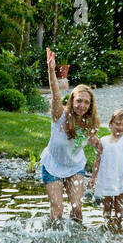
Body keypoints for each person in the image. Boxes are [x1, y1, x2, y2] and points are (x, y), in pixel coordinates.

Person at [40, 46, 101, 222]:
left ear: (90, 106)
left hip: (75, 167)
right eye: (79, 100)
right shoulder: (60, 116)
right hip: (53, 165)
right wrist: (51, 71)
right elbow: (55, 94)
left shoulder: (89, 124)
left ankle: (78, 241)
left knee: (77, 210)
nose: (81, 105)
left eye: (86, 102)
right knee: (58, 212)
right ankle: (51, 240)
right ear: (72, 100)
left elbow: (95, 142)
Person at [90, 109, 123, 224]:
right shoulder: (103, 140)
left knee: (118, 204)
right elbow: (98, 160)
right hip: (107, 178)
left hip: (121, 177)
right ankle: (107, 226)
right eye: (118, 124)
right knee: (107, 204)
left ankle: (118, 226)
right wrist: (93, 178)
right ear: (111, 124)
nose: (120, 127)